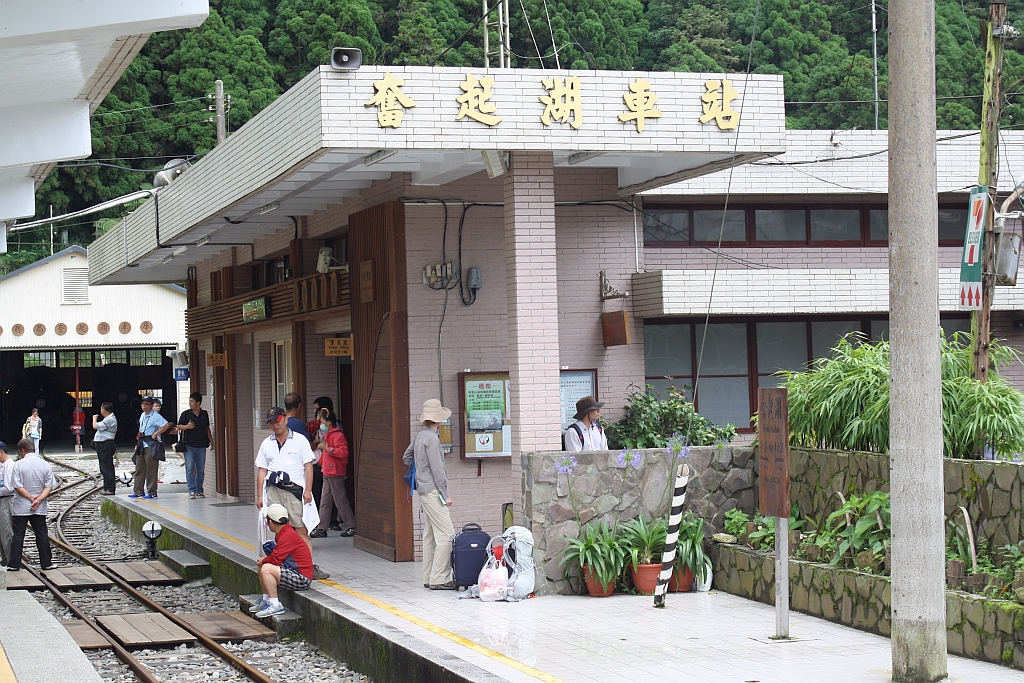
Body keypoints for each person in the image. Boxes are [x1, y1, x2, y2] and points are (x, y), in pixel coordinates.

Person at [255, 406, 329, 580]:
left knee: (301, 528)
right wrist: (259, 496)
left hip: (295, 489)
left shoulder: (300, 440)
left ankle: (309, 566)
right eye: (272, 423)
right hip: (273, 488)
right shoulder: (267, 443)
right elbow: (261, 470)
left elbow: (308, 466)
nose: (275, 425)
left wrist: (308, 490)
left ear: (285, 419)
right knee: (278, 529)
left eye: (278, 421)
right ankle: (284, 563)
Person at [403, 399, 456, 590]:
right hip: (433, 490)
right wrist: (446, 494)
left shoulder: (420, 436)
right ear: (438, 420)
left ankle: (428, 576)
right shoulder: (433, 439)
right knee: (447, 533)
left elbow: (406, 457)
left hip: (422, 489)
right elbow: (438, 470)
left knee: (430, 534)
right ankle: (440, 578)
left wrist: (420, 470)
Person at [250, 503, 314, 618]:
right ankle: (266, 599)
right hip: (295, 572)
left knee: (266, 567)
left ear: (270, 522)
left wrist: (264, 561)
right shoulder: (285, 531)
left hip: (302, 579)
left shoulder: (287, 535)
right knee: (263, 565)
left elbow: (275, 559)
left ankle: (275, 605)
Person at [7, 439, 55, 571]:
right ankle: (46, 563)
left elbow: (17, 486)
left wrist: (30, 497)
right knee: (41, 534)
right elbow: (48, 486)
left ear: (22, 450)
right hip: (39, 507)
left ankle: (14, 564)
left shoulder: (18, 465)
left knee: (18, 535)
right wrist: (38, 500)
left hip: (21, 507)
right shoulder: (45, 465)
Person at [309, 410, 355, 538]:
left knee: (340, 500)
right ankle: (321, 528)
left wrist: (328, 449)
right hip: (328, 471)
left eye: (323, 421)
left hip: (334, 472)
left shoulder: (337, 435)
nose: (321, 424)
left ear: (329, 422)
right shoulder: (329, 434)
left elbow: (343, 452)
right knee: (325, 501)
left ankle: (351, 525)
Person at [129, 396, 171, 500]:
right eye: (142, 404)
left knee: (151, 470)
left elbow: (166, 425)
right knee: (139, 468)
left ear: (151, 406)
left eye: (146, 404)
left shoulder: (156, 416)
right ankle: (138, 491)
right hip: (141, 443)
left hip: (151, 444)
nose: (144, 406)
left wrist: (156, 433)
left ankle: (152, 492)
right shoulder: (142, 415)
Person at [307, 396, 339, 530]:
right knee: (319, 495)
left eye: (318, 410)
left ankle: (332, 521)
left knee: (334, 497)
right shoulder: (316, 428)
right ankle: (319, 523)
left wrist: (326, 447)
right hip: (319, 464)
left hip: (331, 466)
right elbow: (312, 442)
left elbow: (340, 449)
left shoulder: (336, 429)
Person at [177, 392, 213, 499]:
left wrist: (211, 441)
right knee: (190, 467)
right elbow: (178, 427)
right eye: (189, 401)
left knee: (201, 469)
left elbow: (207, 428)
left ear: (198, 403)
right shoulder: (186, 414)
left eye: (192, 401)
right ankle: (191, 490)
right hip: (189, 445)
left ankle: (199, 490)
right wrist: (187, 427)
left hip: (201, 445)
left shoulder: (204, 414)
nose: (190, 403)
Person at [92, 402, 118, 495]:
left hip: (105, 444)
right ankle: (107, 487)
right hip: (102, 444)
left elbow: (95, 426)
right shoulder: (108, 419)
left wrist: (94, 419)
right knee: (104, 467)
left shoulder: (110, 419)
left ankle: (110, 488)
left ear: (103, 409)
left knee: (107, 467)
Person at [0, 442, 15, 566]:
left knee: (6, 531)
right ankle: (5, 559)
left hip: (7, 499)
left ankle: (10, 561)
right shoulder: (3, 465)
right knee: (2, 531)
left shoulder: (9, 466)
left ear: (1, 452)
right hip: (3, 499)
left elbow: (9, 488)